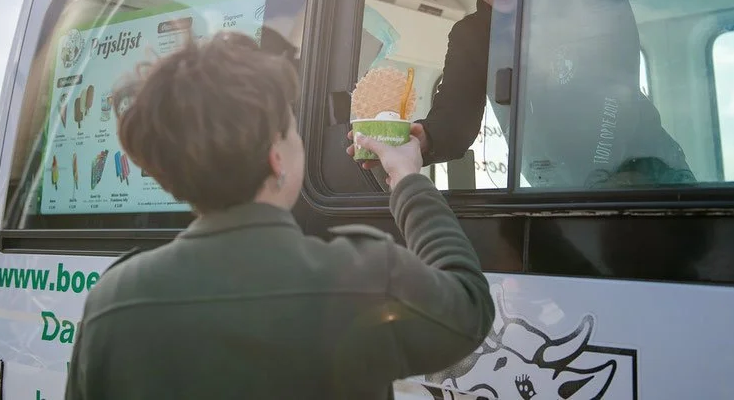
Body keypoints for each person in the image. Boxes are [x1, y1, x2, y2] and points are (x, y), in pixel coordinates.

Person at [65, 29, 495, 400]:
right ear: (276, 157)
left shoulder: (112, 302)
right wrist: (406, 179)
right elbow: (468, 307)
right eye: (292, 129)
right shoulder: (359, 276)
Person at [409, 0, 694, 187]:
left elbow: (616, 94)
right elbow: (454, 121)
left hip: (647, 172)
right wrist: (420, 140)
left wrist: (595, 178)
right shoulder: (473, 35)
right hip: (561, 189)